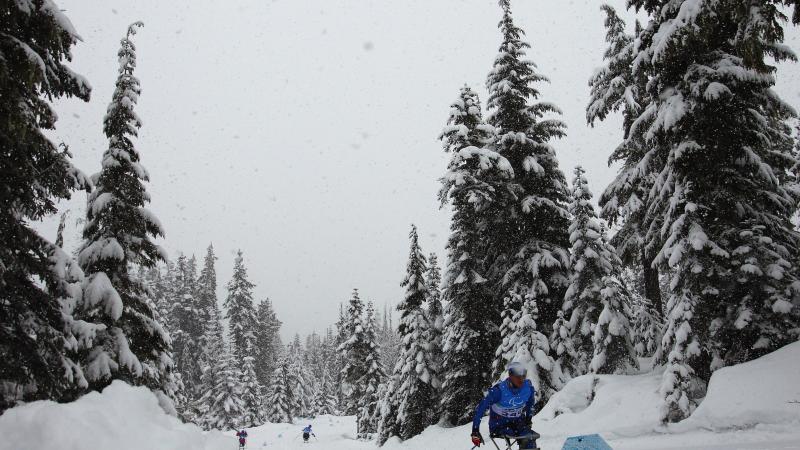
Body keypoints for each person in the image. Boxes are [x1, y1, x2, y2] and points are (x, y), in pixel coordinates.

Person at [470, 362, 537, 449]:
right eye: (518, 377)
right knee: (525, 437)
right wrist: (475, 430)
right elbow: (481, 408)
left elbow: (530, 403)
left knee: (529, 439)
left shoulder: (527, 388)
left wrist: (528, 419)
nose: (521, 379)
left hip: (518, 423)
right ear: (510, 376)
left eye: (523, 376)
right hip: (499, 425)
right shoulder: (498, 391)